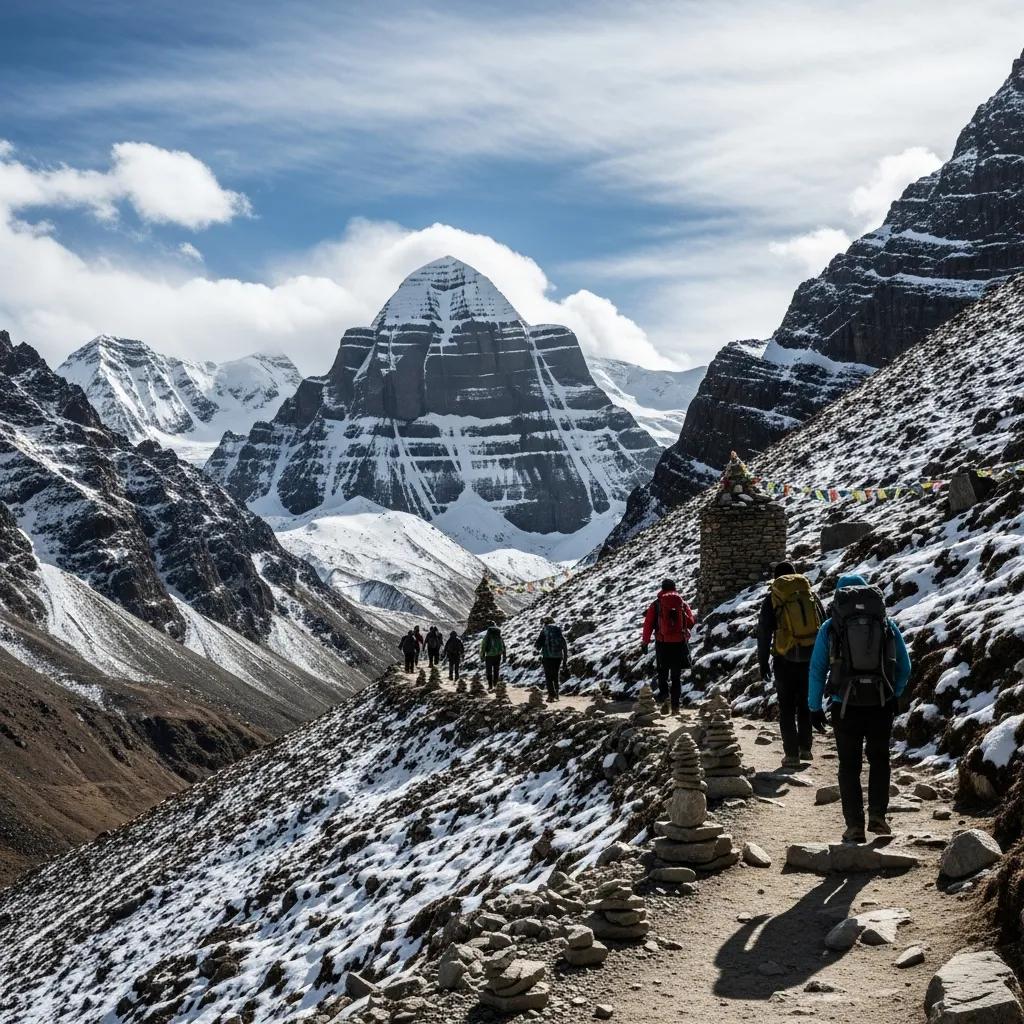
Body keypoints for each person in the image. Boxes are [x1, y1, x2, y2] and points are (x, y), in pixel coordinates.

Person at [808, 573, 912, 844]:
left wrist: (814, 706)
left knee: (849, 766)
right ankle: (878, 816)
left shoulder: (831, 627)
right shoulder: (885, 623)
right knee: (879, 760)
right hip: (880, 703)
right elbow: (905, 666)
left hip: (845, 706)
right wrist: (893, 693)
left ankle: (855, 826)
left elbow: (818, 669)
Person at [757, 560, 825, 768]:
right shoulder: (810, 595)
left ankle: (791, 754)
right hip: (810, 657)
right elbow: (823, 624)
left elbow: (764, 632)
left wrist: (763, 662)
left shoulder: (773, 598)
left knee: (786, 706)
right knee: (805, 702)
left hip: (784, 658)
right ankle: (806, 748)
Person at [641, 578, 696, 716]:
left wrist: (645, 642)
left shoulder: (657, 604)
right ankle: (676, 707)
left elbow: (648, 624)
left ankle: (665, 700)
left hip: (662, 644)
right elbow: (691, 621)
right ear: (674, 587)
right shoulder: (682, 603)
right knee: (676, 676)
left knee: (662, 674)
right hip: (679, 644)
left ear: (662, 588)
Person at [534, 616, 568, 702]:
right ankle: (557, 694)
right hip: (558, 657)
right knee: (555, 675)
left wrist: (537, 648)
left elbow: (538, 645)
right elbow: (564, 644)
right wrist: (564, 660)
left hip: (547, 656)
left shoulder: (544, 631)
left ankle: (551, 696)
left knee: (548, 677)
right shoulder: (558, 630)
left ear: (545, 623)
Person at [479, 621, 506, 690]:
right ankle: (495, 684)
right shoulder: (498, 635)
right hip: (498, 655)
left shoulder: (487, 636)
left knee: (489, 671)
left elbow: (483, 646)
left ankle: (490, 685)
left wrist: (482, 656)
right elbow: (503, 646)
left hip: (489, 656)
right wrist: (504, 656)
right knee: (496, 670)